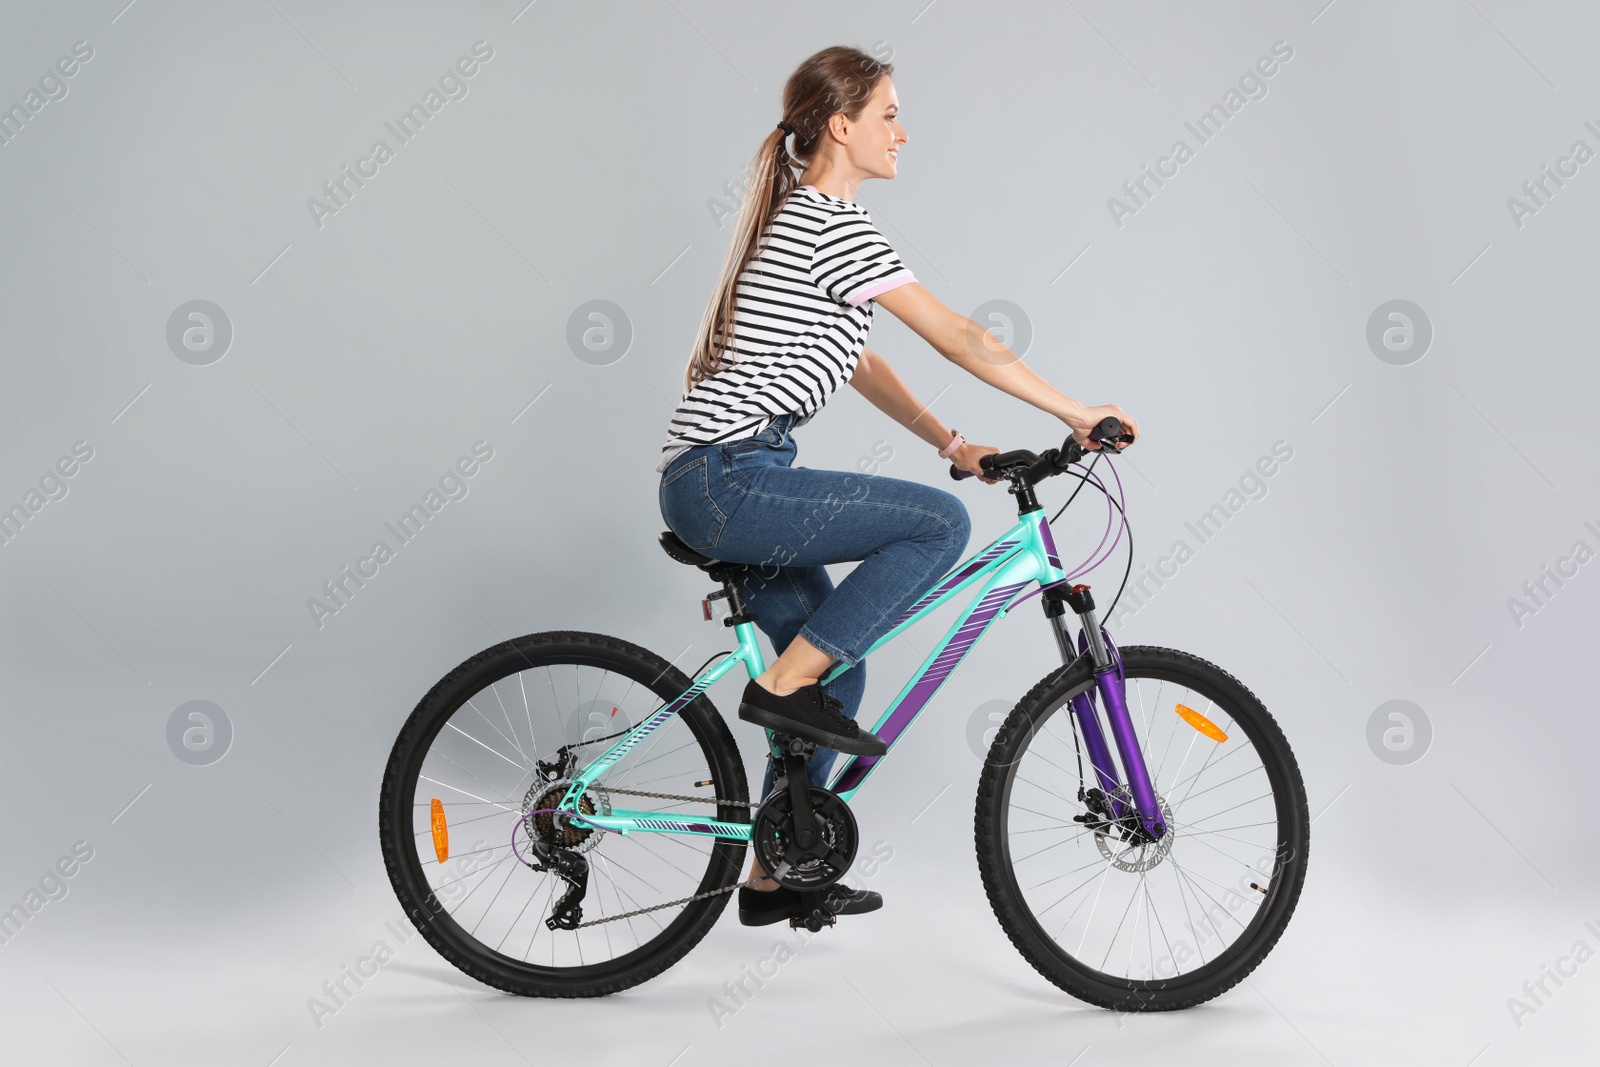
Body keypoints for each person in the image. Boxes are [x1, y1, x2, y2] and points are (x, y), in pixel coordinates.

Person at [656, 46, 1137, 927]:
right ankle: (779, 689)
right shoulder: (833, 224)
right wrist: (1074, 409)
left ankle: (774, 871)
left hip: (729, 476)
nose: (903, 133)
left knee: (838, 676)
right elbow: (960, 336)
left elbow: (865, 360)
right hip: (728, 477)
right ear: (841, 125)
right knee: (935, 525)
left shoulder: (812, 228)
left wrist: (954, 440)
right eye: (888, 114)